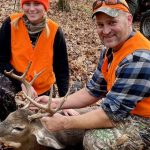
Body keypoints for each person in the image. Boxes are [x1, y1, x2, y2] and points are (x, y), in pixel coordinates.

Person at [35, 0, 150, 149]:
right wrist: (57, 102)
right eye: (100, 25)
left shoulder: (138, 58)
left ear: (129, 20)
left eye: (112, 23)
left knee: (95, 140)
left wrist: (63, 123)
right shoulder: (110, 50)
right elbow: (93, 90)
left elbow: (111, 116)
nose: (106, 31)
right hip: (125, 110)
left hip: (145, 121)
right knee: (72, 114)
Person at [0, 0, 70, 120]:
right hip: (14, 83)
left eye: (37, 4)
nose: (31, 9)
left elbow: (62, 69)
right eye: (27, 4)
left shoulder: (55, 31)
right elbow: (1, 59)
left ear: (45, 6)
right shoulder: (10, 24)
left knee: (39, 123)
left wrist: (65, 102)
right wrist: (22, 83)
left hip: (42, 91)